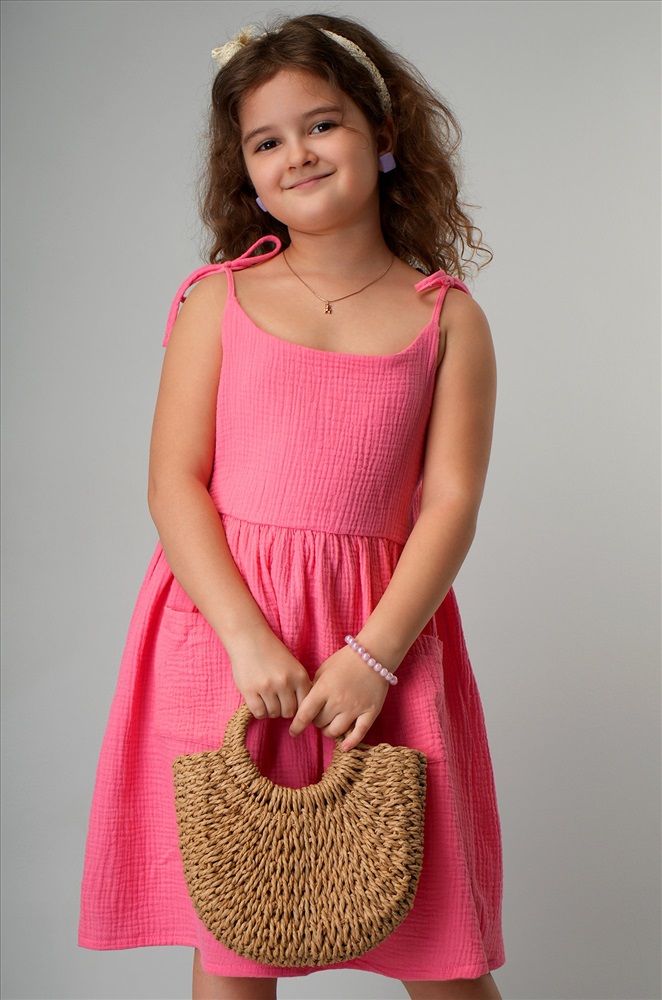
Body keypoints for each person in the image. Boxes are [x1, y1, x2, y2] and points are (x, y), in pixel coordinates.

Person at [79, 12, 505, 1000]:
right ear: (246, 172)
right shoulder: (217, 301)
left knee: (440, 945)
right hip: (231, 637)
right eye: (265, 141)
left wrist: (373, 657)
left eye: (321, 124)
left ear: (382, 134)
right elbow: (173, 483)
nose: (297, 153)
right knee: (236, 935)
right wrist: (246, 638)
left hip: (380, 643)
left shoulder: (447, 318)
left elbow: (450, 502)